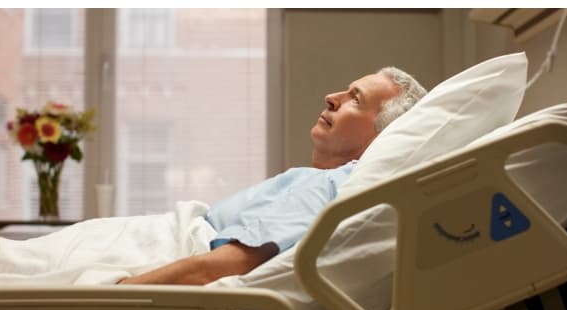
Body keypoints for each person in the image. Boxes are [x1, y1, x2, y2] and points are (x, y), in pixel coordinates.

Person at [118, 67, 426, 285]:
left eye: (355, 99)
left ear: (383, 137)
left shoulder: (331, 185)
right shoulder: (329, 185)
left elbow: (221, 267)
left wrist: (123, 293)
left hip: (148, 250)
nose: (332, 97)